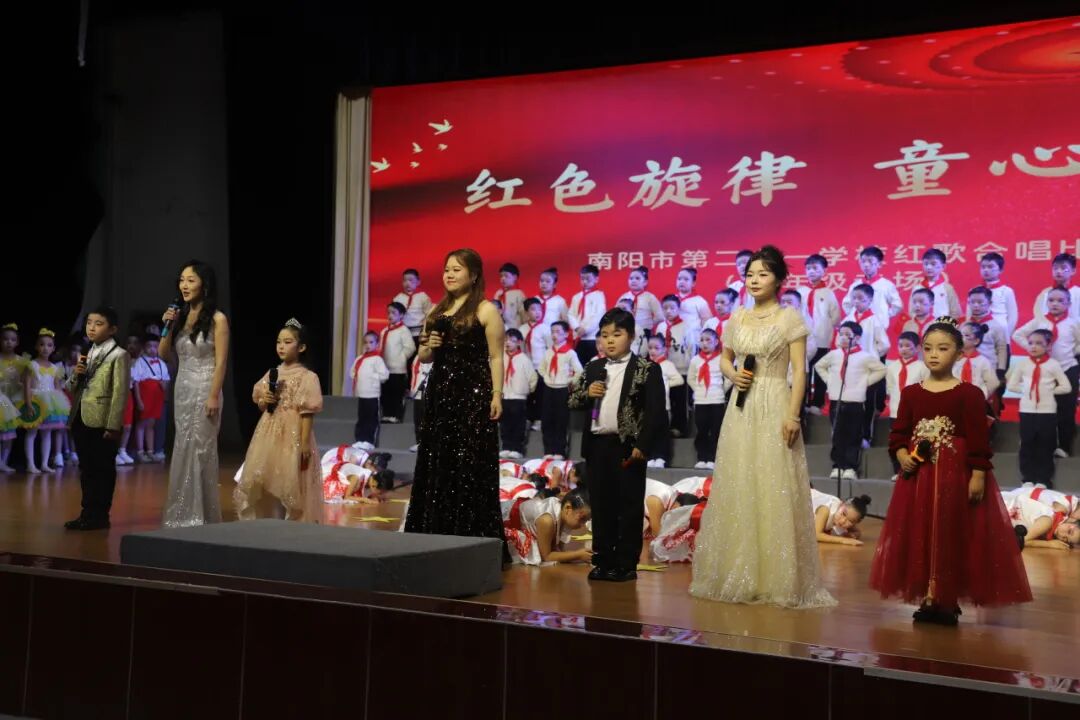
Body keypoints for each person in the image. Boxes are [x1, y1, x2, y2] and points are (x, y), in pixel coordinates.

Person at [689, 246, 836, 608]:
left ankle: (776, 577)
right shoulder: (737, 316)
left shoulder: (789, 318)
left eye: (763, 274)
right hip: (741, 407)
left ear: (779, 280)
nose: (754, 280)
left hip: (775, 401)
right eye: (750, 274)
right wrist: (732, 374)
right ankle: (739, 571)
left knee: (774, 482)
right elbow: (725, 359)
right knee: (740, 479)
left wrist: (793, 415)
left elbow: (800, 371)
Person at [870, 319, 1032, 625]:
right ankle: (929, 596)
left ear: (959, 354)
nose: (934, 354)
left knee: (951, 532)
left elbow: (978, 440)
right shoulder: (912, 393)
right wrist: (902, 455)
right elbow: (899, 434)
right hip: (919, 477)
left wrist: (978, 474)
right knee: (921, 532)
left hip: (955, 474)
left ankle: (948, 597)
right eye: (928, 348)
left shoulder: (969, 394)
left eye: (943, 349)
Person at [404, 248, 506, 541]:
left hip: (474, 396)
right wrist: (429, 345)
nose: (449, 275)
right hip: (440, 395)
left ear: (473, 275)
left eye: (456, 269)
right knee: (438, 460)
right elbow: (424, 356)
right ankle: (435, 532)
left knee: (470, 462)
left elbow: (496, 357)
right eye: (446, 269)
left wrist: (496, 395)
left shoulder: (486, 309)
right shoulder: (436, 311)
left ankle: (471, 537)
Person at [569, 308, 667, 582]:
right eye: (604, 335)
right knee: (601, 506)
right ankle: (602, 561)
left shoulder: (647, 369)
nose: (610, 340)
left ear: (632, 336)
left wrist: (643, 445)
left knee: (628, 507)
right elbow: (572, 401)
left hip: (627, 447)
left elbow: (656, 412)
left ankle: (625, 564)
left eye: (617, 334)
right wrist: (587, 393)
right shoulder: (593, 367)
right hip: (597, 445)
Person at [160, 260, 230, 528]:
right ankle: (181, 513)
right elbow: (164, 354)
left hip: (205, 387)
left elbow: (221, 362)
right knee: (182, 446)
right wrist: (168, 326)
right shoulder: (180, 316)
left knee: (201, 449)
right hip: (183, 388)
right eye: (181, 280)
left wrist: (213, 395)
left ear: (205, 284)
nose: (184, 285)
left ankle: (202, 515)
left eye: (191, 280)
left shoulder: (218, 319)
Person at [234, 319, 323, 522]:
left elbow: (307, 412)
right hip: (268, 431)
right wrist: (264, 401)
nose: (281, 346)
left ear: (301, 347)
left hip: (293, 433)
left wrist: (304, 442)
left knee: (290, 476)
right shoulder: (273, 373)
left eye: (288, 342)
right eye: (278, 342)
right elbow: (261, 403)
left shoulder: (308, 377)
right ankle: (268, 519)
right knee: (265, 476)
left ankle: (292, 522)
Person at [64, 307, 130, 531]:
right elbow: (70, 387)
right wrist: (77, 373)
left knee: (102, 469)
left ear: (112, 329)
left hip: (102, 421)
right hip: (81, 417)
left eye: (98, 324)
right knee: (87, 468)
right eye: (89, 323)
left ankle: (100, 515)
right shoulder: (87, 351)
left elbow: (120, 393)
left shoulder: (119, 355)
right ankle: (87, 513)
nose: (91, 328)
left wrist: (113, 425)